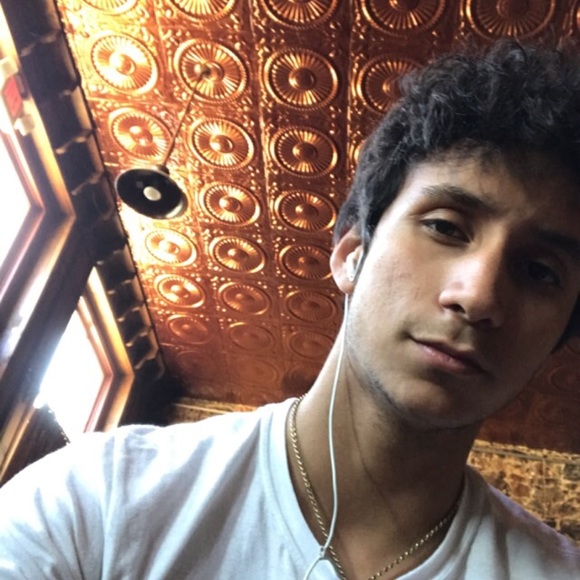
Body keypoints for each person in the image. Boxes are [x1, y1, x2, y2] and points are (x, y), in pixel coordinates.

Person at [1, 39, 580, 579]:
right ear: (351, 255)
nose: (478, 296)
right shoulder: (101, 498)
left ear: (558, 335)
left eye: (539, 271)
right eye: (446, 227)